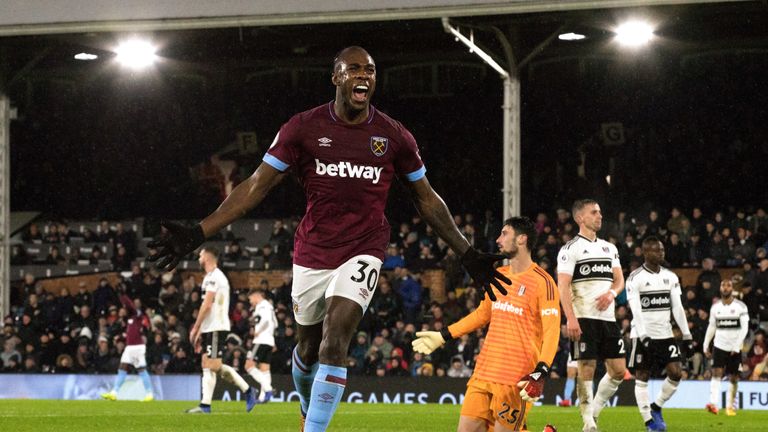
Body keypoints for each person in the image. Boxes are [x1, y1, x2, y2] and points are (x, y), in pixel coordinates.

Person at [147, 46, 508, 431]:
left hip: (365, 248)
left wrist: (466, 253)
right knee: (307, 348)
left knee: (335, 340)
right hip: (313, 252)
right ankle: (307, 404)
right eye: (353, 69)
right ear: (336, 77)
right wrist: (199, 232)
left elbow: (426, 198)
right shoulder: (302, 128)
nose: (364, 76)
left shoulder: (393, 136)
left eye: (370, 69)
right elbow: (255, 187)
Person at [411, 217, 560, 432]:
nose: (498, 240)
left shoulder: (543, 282)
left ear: (522, 239)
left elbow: (552, 329)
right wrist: (444, 335)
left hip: (515, 377)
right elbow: (482, 314)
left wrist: (541, 370)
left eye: (504, 234)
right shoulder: (498, 275)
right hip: (483, 372)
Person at [556, 199, 626, 432]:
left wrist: (612, 294)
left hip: (608, 318)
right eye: (594, 212)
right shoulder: (570, 249)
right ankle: (588, 421)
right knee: (586, 367)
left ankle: (594, 411)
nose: (599, 216)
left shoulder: (610, 248)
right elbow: (563, 286)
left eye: (600, 212)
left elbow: (619, 280)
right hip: (583, 317)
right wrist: (571, 318)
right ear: (580, 218)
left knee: (618, 370)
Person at [625, 236, 693, 431]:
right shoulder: (635, 278)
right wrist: (644, 335)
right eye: (657, 250)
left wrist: (687, 335)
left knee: (676, 373)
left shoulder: (670, 276)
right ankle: (649, 421)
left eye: (662, 250)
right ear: (646, 253)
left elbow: (677, 307)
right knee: (642, 376)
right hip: (642, 335)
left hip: (665, 334)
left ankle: (656, 406)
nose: (661, 253)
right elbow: (636, 309)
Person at [184, 247, 258, 414]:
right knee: (206, 364)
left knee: (214, 365)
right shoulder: (209, 277)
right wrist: (201, 331)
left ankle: (248, 390)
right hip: (210, 327)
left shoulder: (215, 277)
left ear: (208, 258)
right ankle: (205, 405)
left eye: (201, 254)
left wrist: (195, 328)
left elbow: (207, 304)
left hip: (217, 326)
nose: (199, 256)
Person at [703, 279, 749, 416]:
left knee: (734, 377)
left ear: (732, 288)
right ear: (720, 288)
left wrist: (737, 345)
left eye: (728, 285)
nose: (725, 287)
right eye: (723, 285)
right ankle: (713, 404)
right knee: (716, 373)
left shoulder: (741, 306)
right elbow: (711, 326)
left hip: (735, 347)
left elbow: (745, 328)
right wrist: (706, 344)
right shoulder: (715, 307)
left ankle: (730, 406)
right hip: (719, 345)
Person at [101, 294, 155, 401]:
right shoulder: (129, 319)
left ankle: (149, 393)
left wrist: (122, 296)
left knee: (141, 370)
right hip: (129, 348)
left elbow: (130, 306)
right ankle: (114, 392)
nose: (124, 310)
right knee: (122, 368)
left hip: (136, 347)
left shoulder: (137, 315)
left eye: (125, 309)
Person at [246, 287, 278, 404]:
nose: (250, 302)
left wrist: (258, 331)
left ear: (256, 295)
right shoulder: (269, 306)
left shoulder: (262, 305)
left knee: (248, 366)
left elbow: (266, 321)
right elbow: (275, 323)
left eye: (250, 299)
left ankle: (268, 390)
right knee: (264, 369)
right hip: (269, 341)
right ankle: (263, 397)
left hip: (261, 340)